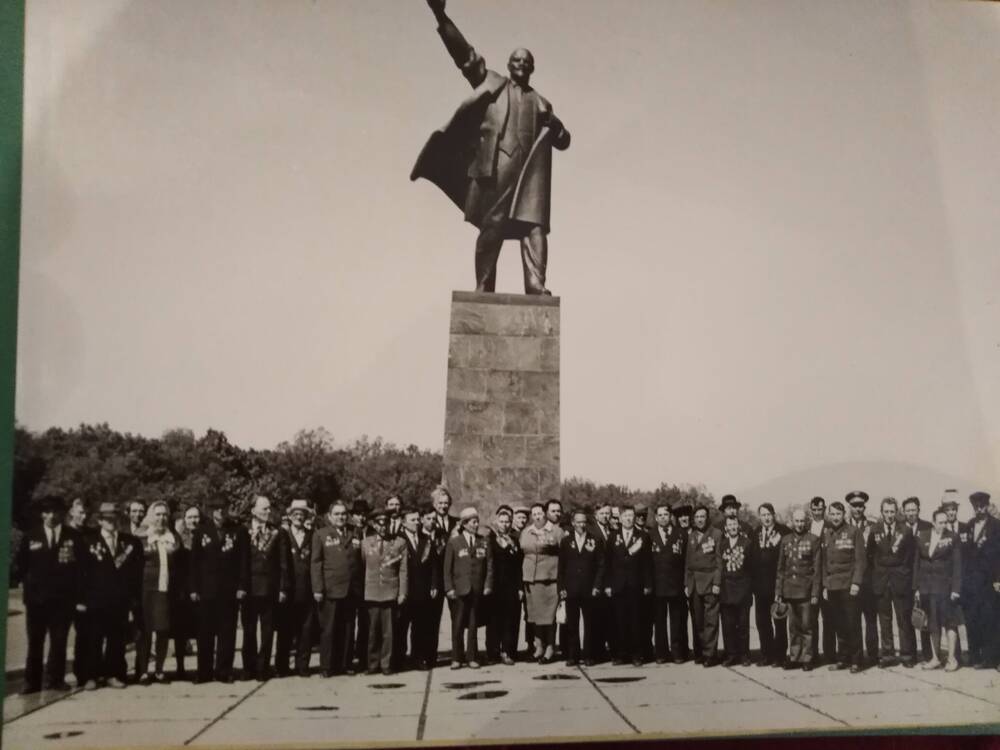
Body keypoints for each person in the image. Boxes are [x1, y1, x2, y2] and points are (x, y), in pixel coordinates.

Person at [414, 0, 572, 295]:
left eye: (527, 62)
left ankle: (536, 284)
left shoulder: (542, 104)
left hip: (530, 179)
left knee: (534, 229)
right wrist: (440, 15)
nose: (521, 65)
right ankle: (484, 286)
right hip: (497, 171)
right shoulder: (493, 84)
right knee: (493, 229)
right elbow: (465, 56)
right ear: (509, 65)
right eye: (516, 60)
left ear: (533, 68)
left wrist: (558, 128)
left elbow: (564, 141)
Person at [16, 494, 85, 693]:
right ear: (41, 514)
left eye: (55, 511)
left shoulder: (73, 537)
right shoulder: (31, 536)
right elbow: (22, 566)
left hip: (63, 601)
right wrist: (28, 590)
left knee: (59, 641)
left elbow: (81, 569)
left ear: (62, 513)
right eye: (47, 512)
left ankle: (55, 680)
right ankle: (31, 682)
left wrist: (78, 598)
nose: (51, 516)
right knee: (35, 642)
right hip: (37, 601)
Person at [82, 502, 142, 689]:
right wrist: (82, 599)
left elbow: (136, 573)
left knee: (117, 639)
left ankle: (113, 674)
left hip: (120, 600)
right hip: (96, 600)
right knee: (94, 638)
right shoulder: (88, 542)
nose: (112, 522)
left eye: (115, 518)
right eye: (107, 519)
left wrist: (133, 599)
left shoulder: (130, 542)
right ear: (100, 520)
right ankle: (91, 676)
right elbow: (81, 574)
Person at [189, 497, 248, 684]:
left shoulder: (238, 531)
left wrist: (241, 586)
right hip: (206, 591)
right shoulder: (201, 531)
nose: (220, 512)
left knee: (227, 632)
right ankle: (204, 672)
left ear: (228, 509)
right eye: (216, 509)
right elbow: (194, 563)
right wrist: (194, 588)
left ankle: (224, 671)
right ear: (210, 510)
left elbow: (243, 562)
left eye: (223, 508)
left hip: (229, 591)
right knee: (204, 632)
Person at [312, 501, 364, 677]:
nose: (341, 517)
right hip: (331, 589)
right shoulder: (321, 534)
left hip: (351, 589)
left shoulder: (355, 532)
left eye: (343, 514)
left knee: (349, 628)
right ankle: (327, 666)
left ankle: (346, 663)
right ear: (329, 516)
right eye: (337, 514)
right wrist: (318, 589)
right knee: (329, 629)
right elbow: (316, 563)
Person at [242, 495, 291, 681]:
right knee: (248, 630)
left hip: (270, 589)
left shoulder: (277, 533)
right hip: (249, 589)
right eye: (264, 509)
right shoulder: (243, 531)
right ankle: (249, 667)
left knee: (267, 631)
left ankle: (263, 667)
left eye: (269, 508)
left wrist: (282, 588)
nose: (268, 512)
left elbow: (283, 563)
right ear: (253, 510)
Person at [135, 501, 184, 684]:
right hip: (146, 590)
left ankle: (160, 669)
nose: (161, 518)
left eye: (164, 514)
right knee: (145, 631)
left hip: (166, 591)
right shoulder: (141, 538)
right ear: (151, 516)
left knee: (163, 630)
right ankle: (143, 671)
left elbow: (180, 565)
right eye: (158, 514)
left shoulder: (174, 538)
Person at [869, 497, 916, 668]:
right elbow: (871, 554)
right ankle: (888, 655)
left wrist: (901, 573)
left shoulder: (906, 530)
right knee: (885, 619)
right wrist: (879, 572)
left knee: (903, 619)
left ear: (897, 512)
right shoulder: (874, 530)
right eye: (886, 511)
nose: (889, 515)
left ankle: (906, 655)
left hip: (900, 580)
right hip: (881, 581)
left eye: (892, 511)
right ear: (882, 512)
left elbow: (910, 556)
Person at [443, 507, 494, 669]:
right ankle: (456, 658)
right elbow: (447, 568)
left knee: (473, 625)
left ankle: (472, 657)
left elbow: (490, 566)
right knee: (457, 625)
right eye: (473, 522)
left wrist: (487, 585)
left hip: (477, 590)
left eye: (477, 521)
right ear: (464, 524)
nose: (476, 524)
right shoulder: (454, 542)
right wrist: (449, 588)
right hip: (459, 590)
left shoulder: (484, 541)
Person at [361, 504, 408, 675]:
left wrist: (402, 592)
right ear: (374, 524)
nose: (382, 526)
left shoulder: (399, 543)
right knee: (373, 631)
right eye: (379, 523)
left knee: (389, 633)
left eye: (385, 523)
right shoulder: (365, 543)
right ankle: (372, 664)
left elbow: (403, 570)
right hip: (372, 593)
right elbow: (362, 567)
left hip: (390, 592)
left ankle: (386, 664)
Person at [914, 507, 963, 671]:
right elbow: (917, 564)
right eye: (940, 522)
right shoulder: (922, 536)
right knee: (933, 625)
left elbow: (957, 565)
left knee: (949, 624)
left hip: (946, 589)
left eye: (945, 522)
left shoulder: (953, 538)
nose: (944, 525)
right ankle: (935, 658)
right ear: (933, 522)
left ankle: (951, 659)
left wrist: (956, 588)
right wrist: (917, 588)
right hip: (928, 589)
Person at [822, 501, 867, 673]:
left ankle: (856, 660)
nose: (835, 517)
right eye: (832, 514)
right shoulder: (826, 533)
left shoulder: (853, 532)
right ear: (829, 515)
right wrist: (825, 585)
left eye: (838, 514)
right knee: (839, 624)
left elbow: (860, 560)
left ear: (844, 515)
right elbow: (825, 563)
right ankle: (843, 658)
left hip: (849, 585)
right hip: (832, 586)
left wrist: (856, 582)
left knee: (852, 623)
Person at [775, 508, 821, 670]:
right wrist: (779, 592)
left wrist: (815, 593)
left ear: (806, 522)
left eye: (802, 521)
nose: (800, 524)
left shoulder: (814, 540)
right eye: (797, 521)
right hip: (789, 592)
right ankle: (794, 657)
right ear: (792, 522)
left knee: (807, 627)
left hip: (806, 592)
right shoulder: (785, 540)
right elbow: (781, 569)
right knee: (793, 627)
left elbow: (817, 570)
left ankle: (807, 658)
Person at [606, 505, 652, 666]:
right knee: (619, 621)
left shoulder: (643, 536)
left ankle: (637, 654)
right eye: (625, 516)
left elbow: (647, 563)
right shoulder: (612, 537)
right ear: (620, 518)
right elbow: (608, 563)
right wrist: (608, 585)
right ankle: (620, 654)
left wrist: (647, 584)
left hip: (636, 584)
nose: (628, 519)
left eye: (631, 516)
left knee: (636, 621)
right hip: (618, 585)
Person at [557, 509, 604, 666]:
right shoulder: (566, 541)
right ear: (572, 523)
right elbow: (561, 567)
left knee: (590, 624)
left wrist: (597, 586)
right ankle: (573, 655)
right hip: (571, 589)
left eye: (584, 522)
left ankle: (589, 655)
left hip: (589, 589)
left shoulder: (595, 540)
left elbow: (601, 565)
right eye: (578, 522)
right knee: (572, 624)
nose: (581, 525)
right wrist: (561, 587)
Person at [397, 505, 442, 670]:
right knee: (401, 627)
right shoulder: (398, 539)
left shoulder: (426, 539)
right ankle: (400, 659)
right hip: (406, 590)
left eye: (417, 519)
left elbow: (434, 565)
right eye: (412, 520)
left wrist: (434, 584)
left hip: (423, 590)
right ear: (403, 522)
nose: (416, 523)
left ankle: (419, 658)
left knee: (420, 627)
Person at [276, 499, 316, 677]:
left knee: (306, 630)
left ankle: (303, 665)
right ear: (290, 516)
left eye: (302, 514)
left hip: (307, 589)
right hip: (288, 590)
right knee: (286, 629)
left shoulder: (312, 535)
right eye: (296, 514)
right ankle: (282, 666)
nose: (299, 517)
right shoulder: (282, 535)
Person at [520, 502, 563, 662]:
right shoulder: (527, 531)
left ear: (545, 514)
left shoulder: (556, 531)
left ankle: (550, 647)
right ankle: (539, 646)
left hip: (549, 579)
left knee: (549, 616)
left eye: (540, 513)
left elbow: (563, 553)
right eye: (534, 514)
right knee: (535, 615)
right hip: (531, 579)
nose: (538, 516)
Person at [962, 491, 999, 669]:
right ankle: (975, 655)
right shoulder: (969, 525)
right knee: (973, 619)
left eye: (982, 505)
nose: (979, 509)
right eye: (976, 506)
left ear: (987, 505)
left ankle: (992, 658)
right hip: (971, 582)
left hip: (989, 581)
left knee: (990, 619)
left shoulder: (996, 526)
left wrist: (998, 578)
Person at [750, 503, 789, 667]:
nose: (766, 518)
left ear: (773, 515)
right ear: (760, 517)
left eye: (768, 514)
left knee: (779, 622)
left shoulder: (784, 531)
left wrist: (782, 587)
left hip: (777, 586)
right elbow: (752, 558)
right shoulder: (756, 532)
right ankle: (767, 655)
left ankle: (780, 656)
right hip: (760, 587)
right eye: (763, 515)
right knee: (762, 622)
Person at [649, 503, 688, 664]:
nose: (663, 518)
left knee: (676, 620)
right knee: (659, 621)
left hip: (676, 585)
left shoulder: (681, 534)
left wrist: (685, 583)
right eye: (660, 515)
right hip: (657, 585)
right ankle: (661, 653)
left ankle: (677, 652)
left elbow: (686, 561)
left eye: (666, 514)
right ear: (656, 518)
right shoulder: (649, 535)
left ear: (671, 516)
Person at [685, 506, 723, 667]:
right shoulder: (692, 535)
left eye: (703, 516)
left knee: (711, 621)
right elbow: (688, 562)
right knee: (698, 621)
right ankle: (700, 652)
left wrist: (717, 582)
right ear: (694, 519)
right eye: (697, 517)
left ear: (707, 518)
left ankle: (710, 654)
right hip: (694, 584)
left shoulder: (716, 534)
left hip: (709, 583)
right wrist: (687, 583)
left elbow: (719, 561)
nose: (700, 519)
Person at [487, 506, 523, 665]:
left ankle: (508, 651)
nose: (504, 524)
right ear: (496, 522)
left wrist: (520, 587)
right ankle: (492, 652)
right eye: (501, 522)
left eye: (507, 522)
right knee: (493, 620)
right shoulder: (489, 539)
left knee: (510, 620)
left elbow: (519, 567)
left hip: (511, 586)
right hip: (494, 586)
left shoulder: (515, 541)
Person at [846, 491, 879, 666]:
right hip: (851, 581)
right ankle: (856, 657)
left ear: (864, 507)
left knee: (871, 620)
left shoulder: (872, 525)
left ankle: (873, 655)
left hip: (869, 580)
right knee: (853, 620)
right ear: (849, 507)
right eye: (854, 505)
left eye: (860, 505)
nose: (857, 508)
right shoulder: (843, 526)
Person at [940, 491, 971, 664]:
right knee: (951, 619)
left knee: (970, 618)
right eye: (948, 509)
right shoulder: (940, 530)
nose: (951, 513)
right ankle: (955, 654)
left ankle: (974, 653)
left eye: (953, 509)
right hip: (948, 583)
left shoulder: (966, 527)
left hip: (966, 582)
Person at [65, 497, 93, 688]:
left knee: (88, 634)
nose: (83, 516)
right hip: (67, 594)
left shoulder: (91, 533)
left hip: (89, 593)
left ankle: (87, 674)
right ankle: (59, 678)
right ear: (71, 512)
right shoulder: (64, 534)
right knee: (61, 638)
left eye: (85, 513)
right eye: (80, 512)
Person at [902, 496, 933, 662]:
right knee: (908, 618)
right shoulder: (899, 528)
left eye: (913, 510)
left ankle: (928, 654)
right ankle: (911, 655)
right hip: (904, 580)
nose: (911, 513)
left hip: (923, 579)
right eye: (908, 510)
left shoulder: (928, 527)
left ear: (918, 510)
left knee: (924, 617)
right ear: (904, 512)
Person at [719, 516, 753, 666]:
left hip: (742, 589)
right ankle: (731, 655)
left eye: (735, 524)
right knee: (728, 625)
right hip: (726, 590)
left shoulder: (747, 543)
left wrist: (748, 590)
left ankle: (744, 655)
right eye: (729, 524)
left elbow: (752, 569)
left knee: (743, 624)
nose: (732, 527)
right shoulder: (722, 544)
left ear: (739, 526)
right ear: (725, 527)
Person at [171, 503, 199, 680]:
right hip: (182, 589)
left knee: (200, 629)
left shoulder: (205, 536)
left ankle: (201, 667)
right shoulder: (177, 538)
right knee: (180, 631)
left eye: (196, 517)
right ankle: (180, 667)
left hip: (199, 589)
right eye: (189, 517)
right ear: (184, 519)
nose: (193, 521)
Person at [420, 504, 449, 668]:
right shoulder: (418, 536)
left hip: (438, 585)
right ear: (422, 519)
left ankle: (431, 656)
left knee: (434, 622)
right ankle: (420, 655)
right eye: (428, 519)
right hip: (421, 585)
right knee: (421, 623)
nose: (431, 522)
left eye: (433, 519)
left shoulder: (441, 536)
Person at [807, 496, 835, 665]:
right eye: (814, 509)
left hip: (826, 580)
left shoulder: (831, 527)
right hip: (810, 581)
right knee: (810, 620)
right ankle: (813, 655)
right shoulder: (806, 527)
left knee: (829, 619)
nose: (817, 512)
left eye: (820, 509)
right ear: (811, 510)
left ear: (825, 510)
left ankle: (830, 655)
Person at [589, 502, 615, 662]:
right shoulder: (591, 532)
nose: (606, 516)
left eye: (608, 513)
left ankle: (609, 649)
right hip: (595, 581)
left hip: (611, 582)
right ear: (596, 514)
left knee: (610, 618)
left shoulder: (613, 531)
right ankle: (594, 652)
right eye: (603, 513)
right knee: (595, 619)